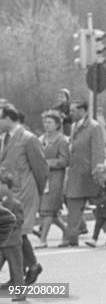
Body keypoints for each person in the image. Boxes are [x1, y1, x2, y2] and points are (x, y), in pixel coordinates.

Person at [0, 104, 47, 285]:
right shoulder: (4, 138)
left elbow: (41, 169)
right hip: (8, 195)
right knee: (15, 234)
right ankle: (30, 268)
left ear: (8, 119)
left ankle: (24, 272)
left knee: (16, 234)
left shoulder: (28, 139)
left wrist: (38, 193)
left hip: (25, 193)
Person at [62, 100, 105, 247]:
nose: (71, 113)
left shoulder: (94, 127)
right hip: (76, 175)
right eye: (71, 110)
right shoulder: (74, 127)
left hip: (90, 175)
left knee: (100, 208)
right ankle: (71, 238)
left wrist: (97, 172)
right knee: (73, 206)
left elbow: (98, 151)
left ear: (83, 110)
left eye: (74, 110)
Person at [37, 110, 69, 248]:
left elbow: (64, 160)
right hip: (43, 179)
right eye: (45, 122)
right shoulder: (41, 139)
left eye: (50, 122)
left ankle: (43, 240)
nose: (46, 125)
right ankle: (68, 232)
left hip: (55, 178)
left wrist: (48, 163)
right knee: (49, 212)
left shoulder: (61, 140)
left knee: (48, 210)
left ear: (57, 124)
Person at [0, 179, 25, 301]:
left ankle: (20, 293)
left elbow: (19, 221)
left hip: (12, 242)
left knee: (16, 269)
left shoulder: (15, 204)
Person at [85, 165, 106, 247]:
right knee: (98, 224)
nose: (100, 180)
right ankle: (94, 239)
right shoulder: (100, 185)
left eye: (101, 177)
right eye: (98, 178)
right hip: (102, 209)